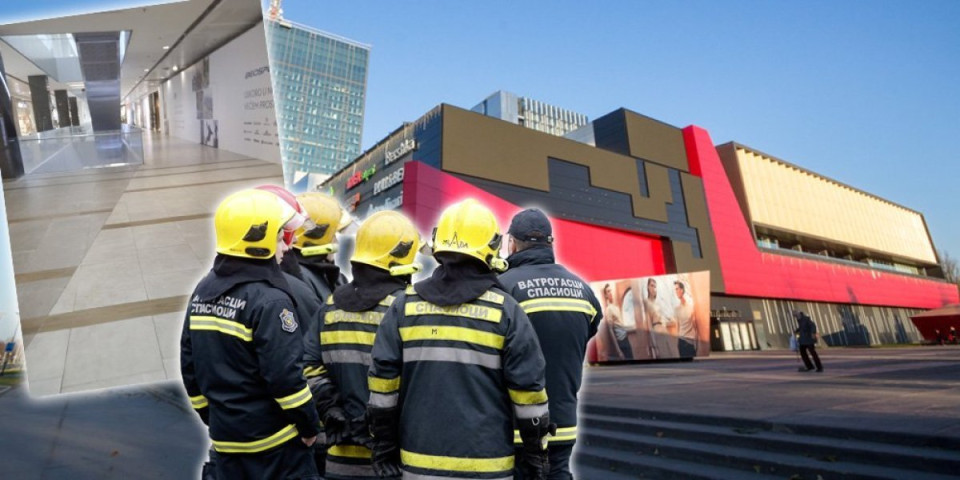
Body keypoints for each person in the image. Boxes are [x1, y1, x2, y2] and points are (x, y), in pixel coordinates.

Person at [367, 199, 553, 480]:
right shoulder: (506, 311)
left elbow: (382, 389)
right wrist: (535, 454)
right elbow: (529, 395)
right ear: (491, 248)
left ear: (438, 244)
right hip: (489, 467)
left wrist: (383, 448)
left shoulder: (403, 307)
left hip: (418, 467)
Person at [180, 189, 320, 479]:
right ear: (261, 241)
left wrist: (216, 419)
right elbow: (286, 380)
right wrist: (309, 427)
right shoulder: (272, 301)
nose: (286, 247)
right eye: (282, 237)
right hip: (276, 451)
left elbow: (189, 365)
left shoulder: (203, 291)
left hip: (227, 445)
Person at [302, 210, 422, 479]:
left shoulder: (329, 308)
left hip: (340, 460)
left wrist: (331, 409)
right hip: (394, 459)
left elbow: (309, 367)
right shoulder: (408, 309)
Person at [498, 208, 602, 480]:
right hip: (563, 422)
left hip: (517, 426)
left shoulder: (502, 288)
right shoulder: (583, 290)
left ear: (512, 243)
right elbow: (589, 330)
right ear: (550, 242)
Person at [291, 192, 349, 302]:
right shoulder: (300, 278)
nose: (336, 242)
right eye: (333, 235)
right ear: (318, 238)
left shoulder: (331, 275)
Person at [643, 278, 678, 359]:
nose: (653, 288)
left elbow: (663, 317)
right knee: (663, 355)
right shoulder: (646, 302)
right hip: (657, 331)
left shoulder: (658, 303)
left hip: (664, 329)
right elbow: (649, 324)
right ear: (648, 287)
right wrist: (654, 344)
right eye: (651, 286)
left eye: (655, 286)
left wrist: (670, 320)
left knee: (673, 354)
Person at [603, 284, 633, 360]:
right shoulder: (608, 309)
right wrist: (618, 351)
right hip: (621, 341)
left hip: (626, 339)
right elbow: (611, 331)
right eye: (608, 291)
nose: (611, 293)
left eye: (611, 290)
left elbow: (621, 324)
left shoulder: (616, 307)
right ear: (606, 295)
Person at [673, 280, 698, 358]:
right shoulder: (676, 309)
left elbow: (695, 326)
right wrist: (677, 343)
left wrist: (696, 344)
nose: (676, 291)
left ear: (682, 290)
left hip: (690, 341)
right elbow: (677, 327)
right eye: (675, 289)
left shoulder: (691, 306)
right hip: (681, 341)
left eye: (677, 289)